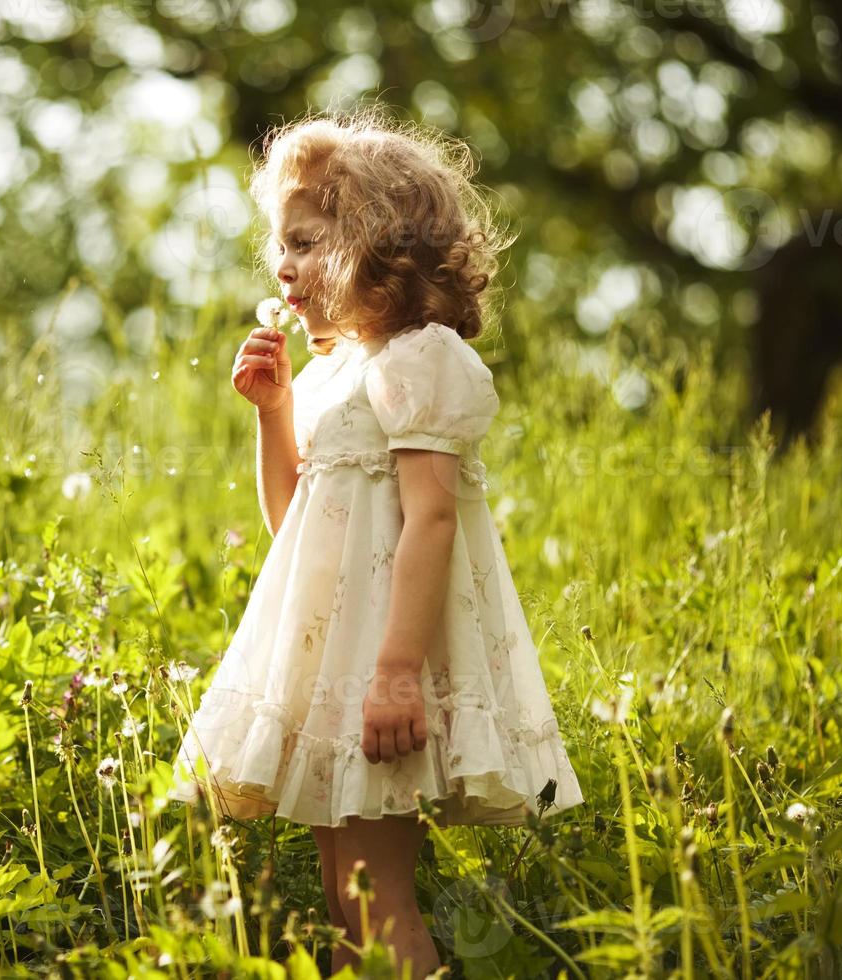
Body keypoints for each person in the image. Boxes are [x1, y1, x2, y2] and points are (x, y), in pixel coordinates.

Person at [167, 104, 585, 978]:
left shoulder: (419, 361)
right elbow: (296, 530)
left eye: (308, 241)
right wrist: (274, 414)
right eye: (279, 244)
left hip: (381, 665)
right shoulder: (333, 375)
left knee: (373, 888)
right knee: (344, 891)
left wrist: (397, 671)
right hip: (334, 665)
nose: (284, 265)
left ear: (373, 242)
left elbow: (431, 518)